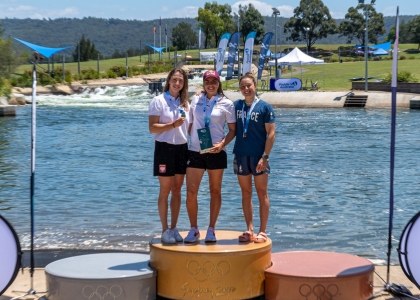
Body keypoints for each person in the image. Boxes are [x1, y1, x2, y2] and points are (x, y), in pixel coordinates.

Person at [184, 70, 236, 243]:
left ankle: (211, 229)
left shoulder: (227, 103)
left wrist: (222, 145)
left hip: (216, 151)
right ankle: (194, 229)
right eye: (208, 82)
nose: (211, 84)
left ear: (218, 83)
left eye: (214, 81)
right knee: (191, 192)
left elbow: (233, 130)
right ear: (204, 84)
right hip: (195, 150)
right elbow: (190, 124)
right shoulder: (196, 99)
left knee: (215, 191)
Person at [233, 72, 276, 243]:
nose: (246, 89)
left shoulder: (265, 107)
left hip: (259, 156)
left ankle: (263, 231)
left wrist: (265, 157)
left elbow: (271, 134)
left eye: (248, 85)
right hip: (241, 154)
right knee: (246, 192)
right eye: (242, 86)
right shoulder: (236, 106)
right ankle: (249, 229)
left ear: (255, 86)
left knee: (261, 192)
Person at [148, 68, 189, 244]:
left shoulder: (185, 103)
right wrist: (172, 125)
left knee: (177, 190)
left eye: (180, 81)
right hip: (164, 148)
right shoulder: (158, 101)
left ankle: (174, 228)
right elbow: (152, 128)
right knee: (165, 190)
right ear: (169, 81)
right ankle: (164, 230)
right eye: (174, 80)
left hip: (182, 148)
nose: (177, 83)